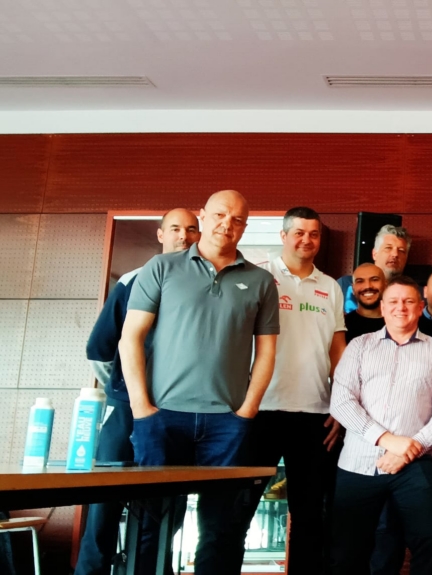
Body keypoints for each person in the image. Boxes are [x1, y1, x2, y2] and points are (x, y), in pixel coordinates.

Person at [120, 190, 280, 575]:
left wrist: (246, 411)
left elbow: (267, 353)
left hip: (227, 422)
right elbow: (130, 338)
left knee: (222, 529)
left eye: (238, 219)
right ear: (203, 216)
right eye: (220, 214)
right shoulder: (161, 267)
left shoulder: (261, 281)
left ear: (245, 226)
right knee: (152, 525)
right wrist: (141, 408)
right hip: (162, 417)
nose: (227, 224)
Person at [75, 208, 199, 575]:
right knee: (104, 503)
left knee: (164, 507)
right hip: (126, 409)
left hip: (177, 412)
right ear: (161, 235)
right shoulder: (133, 280)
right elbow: (100, 349)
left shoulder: (204, 287)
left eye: (191, 229)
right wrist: (125, 386)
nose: (184, 236)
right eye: (175, 228)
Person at [233, 207, 347, 574]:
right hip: (259, 410)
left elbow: (337, 350)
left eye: (313, 234)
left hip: (315, 414)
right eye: (298, 232)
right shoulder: (258, 276)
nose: (306, 240)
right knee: (238, 509)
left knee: (310, 516)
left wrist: (341, 405)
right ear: (283, 236)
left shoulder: (330, 287)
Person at [328, 275, 432, 575]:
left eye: (408, 301)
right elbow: (341, 402)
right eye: (393, 301)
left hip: (415, 463)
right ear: (382, 307)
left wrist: (410, 449)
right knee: (347, 550)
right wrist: (388, 440)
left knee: (431, 541)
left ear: (420, 307)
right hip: (358, 463)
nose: (400, 307)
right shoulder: (359, 346)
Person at [371, 267, 432, 575]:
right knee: (387, 529)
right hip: (389, 450)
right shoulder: (386, 336)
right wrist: (399, 447)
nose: (402, 309)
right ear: (425, 294)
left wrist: (412, 447)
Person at [338, 225, 411, 313]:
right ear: (374, 254)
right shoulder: (344, 285)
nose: (395, 254)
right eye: (388, 248)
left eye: (401, 250)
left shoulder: (412, 293)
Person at [344, 263, 387, 342]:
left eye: (374, 280)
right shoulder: (342, 326)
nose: (368, 286)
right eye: (360, 281)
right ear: (353, 289)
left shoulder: (399, 322)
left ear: (385, 285)